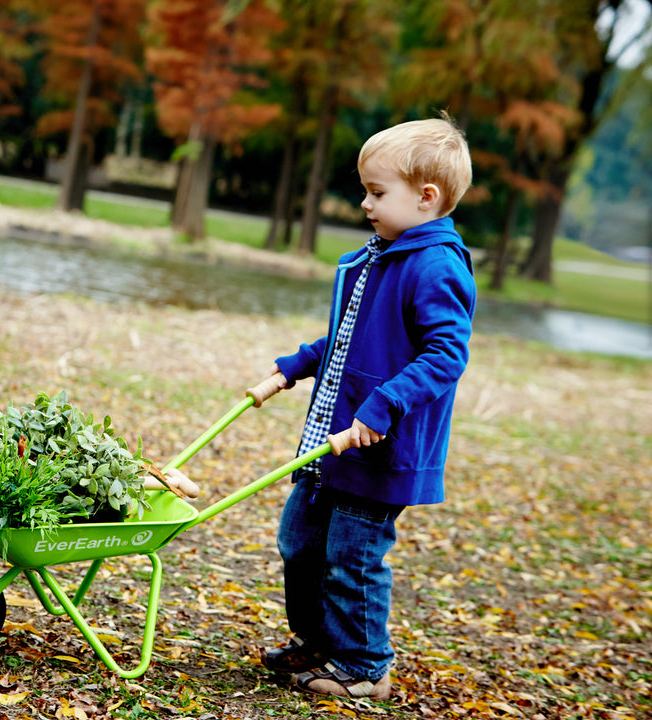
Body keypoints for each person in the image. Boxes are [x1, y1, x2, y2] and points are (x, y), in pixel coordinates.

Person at [258, 115, 476, 701]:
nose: (364, 203)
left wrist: (384, 406)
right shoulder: (380, 255)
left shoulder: (434, 266)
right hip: (331, 440)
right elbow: (351, 337)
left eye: (378, 193)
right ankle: (319, 640)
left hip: (378, 446)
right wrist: (296, 365)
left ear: (426, 198)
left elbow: (446, 355)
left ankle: (365, 665)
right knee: (300, 542)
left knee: (352, 557)